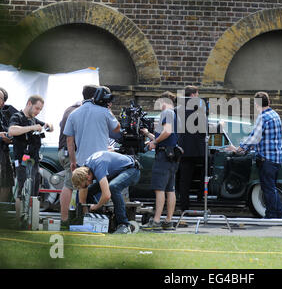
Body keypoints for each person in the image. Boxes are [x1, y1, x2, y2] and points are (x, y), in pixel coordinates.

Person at [226, 91, 282, 218]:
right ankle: (279, 214)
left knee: (268, 188)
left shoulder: (263, 117)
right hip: (276, 158)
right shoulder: (275, 115)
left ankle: (271, 215)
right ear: (268, 102)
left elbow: (255, 138)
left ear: (257, 105)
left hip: (267, 159)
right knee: (272, 187)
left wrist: (239, 149)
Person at [176, 85, 223, 213]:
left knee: (184, 179)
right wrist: (219, 127)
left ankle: (184, 207)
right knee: (208, 167)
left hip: (183, 148)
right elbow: (204, 129)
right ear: (192, 95)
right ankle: (200, 194)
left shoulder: (177, 109)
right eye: (197, 95)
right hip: (198, 149)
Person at [8, 95, 54, 222]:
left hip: (33, 160)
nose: (38, 111)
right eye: (36, 108)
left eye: (40, 110)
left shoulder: (34, 119)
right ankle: (19, 219)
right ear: (29, 103)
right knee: (21, 188)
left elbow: (49, 127)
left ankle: (31, 218)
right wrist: (31, 128)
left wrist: (48, 125)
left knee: (34, 188)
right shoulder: (17, 117)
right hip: (21, 159)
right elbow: (12, 130)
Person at [71, 151, 140, 234]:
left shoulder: (98, 167)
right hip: (117, 172)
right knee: (89, 192)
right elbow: (83, 193)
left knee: (113, 187)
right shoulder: (86, 167)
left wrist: (96, 206)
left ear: (87, 176)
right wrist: (85, 215)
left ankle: (124, 225)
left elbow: (106, 195)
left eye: (86, 184)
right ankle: (100, 218)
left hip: (132, 170)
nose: (88, 185)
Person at [58, 85, 98, 227]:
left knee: (76, 184)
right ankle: (65, 219)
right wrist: (74, 159)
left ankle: (78, 215)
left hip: (65, 151)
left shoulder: (71, 109)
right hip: (70, 152)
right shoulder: (79, 111)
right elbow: (70, 139)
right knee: (70, 184)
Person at [141, 91, 179, 230]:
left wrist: (155, 142)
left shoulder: (168, 113)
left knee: (159, 189)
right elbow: (167, 135)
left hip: (163, 156)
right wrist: (147, 134)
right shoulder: (173, 114)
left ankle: (156, 221)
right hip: (171, 155)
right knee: (170, 189)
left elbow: (167, 132)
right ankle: (168, 221)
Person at [63, 86, 121, 172]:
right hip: (101, 160)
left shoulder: (73, 114)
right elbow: (116, 129)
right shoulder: (104, 111)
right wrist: (108, 108)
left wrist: (73, 161)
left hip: (82, 162)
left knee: (83, 185)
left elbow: (69, 141)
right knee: (101, 185)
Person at [0, 87, 18, 202]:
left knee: (8, 180)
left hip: (4, 151)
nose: (2, 103)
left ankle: (1, 207)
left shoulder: (10, 111)